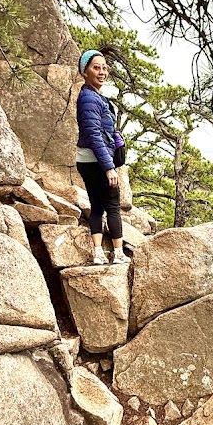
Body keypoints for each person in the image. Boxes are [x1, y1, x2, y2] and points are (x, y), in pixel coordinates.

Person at [76, 49, 127, 266]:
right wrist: (109, 167)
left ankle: (98, 253)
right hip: (97, 161)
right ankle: (118, 253)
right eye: (96, 67)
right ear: (85, 71)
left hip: (87, 160)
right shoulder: (88, 97)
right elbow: (94, 135)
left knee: (96, 205)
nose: (102, 72)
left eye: (104, 67)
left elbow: (101, 130)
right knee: (112, 205)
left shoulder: (92, 96)